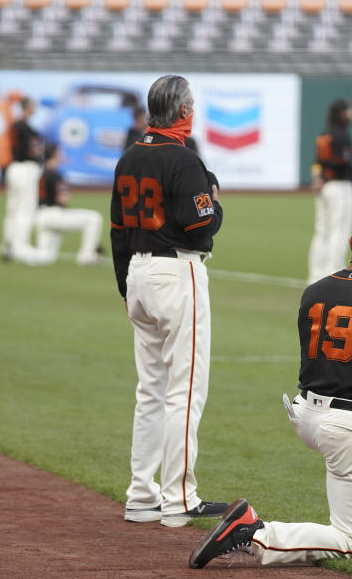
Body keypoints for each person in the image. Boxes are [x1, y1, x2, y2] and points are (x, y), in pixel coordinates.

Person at [189, 212, 352, 569]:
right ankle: (254, 532)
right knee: (350, 542)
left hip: (306, 413)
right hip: (346, 429)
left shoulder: (314, 292)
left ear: (351, 245)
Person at [110, 74, 227, 528]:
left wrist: (126, 287)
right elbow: (200, 225)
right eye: (191, 105)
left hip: (138, 271)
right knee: (186, 389)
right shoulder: (184, 159)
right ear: (182, 112)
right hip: (178, 272)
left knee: (151, 391)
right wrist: (216, 206)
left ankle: (142, 493)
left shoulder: (129, 157)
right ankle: (180, 497)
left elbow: (118, 230)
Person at [307, 98, 352, 284]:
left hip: (323, 188)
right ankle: (334, 273)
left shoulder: (324, 134)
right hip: (338, 186)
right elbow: (341, 162)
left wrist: (318, 178)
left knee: (321, 231)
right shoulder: (341, 135)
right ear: (341, 113)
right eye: (348, 110)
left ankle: (315, 274)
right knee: (339, 230)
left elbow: (317, 162)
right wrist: (326, 178)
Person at [32, 143, 103, 266]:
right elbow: (62, 199)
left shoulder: (42, 172)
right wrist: (67, 195)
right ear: (54, 155)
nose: (62, 154)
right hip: (53, 215)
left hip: (40, 215)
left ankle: (15, 251)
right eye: (60, 152)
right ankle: (86, 256)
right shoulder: (55, 174)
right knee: (94, 218)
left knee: (45, 258)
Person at [2, 97, 43, 262]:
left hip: (13, 168)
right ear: (27, 107)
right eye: (33, 106)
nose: (35, 108)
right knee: (26, 209)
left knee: (13, 208)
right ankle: (21, 247)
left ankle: (8, 246)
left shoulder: (14, 126)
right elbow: (33, 151)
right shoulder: (27, 128)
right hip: (26, 168)